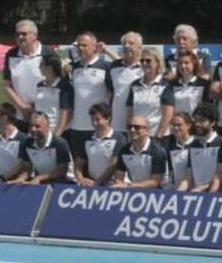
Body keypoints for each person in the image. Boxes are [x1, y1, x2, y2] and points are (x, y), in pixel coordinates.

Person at [68, 31, 113, 165]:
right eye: (78, 46)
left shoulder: (105, 67)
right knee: (79, 167)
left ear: (95, 47)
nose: (80, 48)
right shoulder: (74, 68)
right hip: (76, 127)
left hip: (97, 127)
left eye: (84, 45)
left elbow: (115, 95)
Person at [2, 19, 44, 129]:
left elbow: (54, 85)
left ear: (35, 35)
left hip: (43, 116)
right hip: (19, 115)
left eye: (24, 34)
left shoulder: (47, 53)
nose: (20, 37)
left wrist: (35, 109)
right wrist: (23, 107)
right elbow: (7, 85)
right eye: (17, 34)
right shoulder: (11, 54)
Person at [158, 49, 210, 136]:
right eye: (180, 63)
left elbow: (207, 110)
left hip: (197, 129)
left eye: (186, 63)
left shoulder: (204, 84)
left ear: (194, 64)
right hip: (177, 129)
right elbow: (168, 110)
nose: (183, 66)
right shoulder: (171, 85)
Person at [13, 111, 73, 185]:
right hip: (42, 181)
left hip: (64, 181)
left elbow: (62, 171)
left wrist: (39, 178)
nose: (33, 129)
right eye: (31, 126)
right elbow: (26, 169)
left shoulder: (59, 143)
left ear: (47, 126)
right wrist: (20, 179)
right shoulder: (27, 143)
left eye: (37, 126)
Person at [75, 102, 125, 187]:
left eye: (97, 120)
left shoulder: (119, 138)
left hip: (112, 185)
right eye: (92, 120)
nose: (94, 123)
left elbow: (114, 164)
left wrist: (98, 182)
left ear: (107, 119)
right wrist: (81, 179)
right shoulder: (87, 139)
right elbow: (78, 163)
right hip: (92, 184)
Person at [111, 116, 167, 189]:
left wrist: (129, 185)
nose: (132, 130)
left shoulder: (157, 151)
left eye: (137, 127)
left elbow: (154, 182)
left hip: (157, 193)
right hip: (133, 191)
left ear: (147, 130)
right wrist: (119, 183)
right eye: (129, 127)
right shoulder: (124, 150)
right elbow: (119, 176)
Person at [181, 103, 222, 192]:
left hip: (215, 195)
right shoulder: (193, 145)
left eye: (202, 121)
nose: (197, 124)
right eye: (196, 120)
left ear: (213, 122)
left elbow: (221, 175)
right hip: (196, 194)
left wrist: (204, 189)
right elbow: (188, 176)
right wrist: (178, 193)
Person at [106, 32, 144, 133]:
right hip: (117, 124)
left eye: (131, 43)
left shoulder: (146, 66)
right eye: (124, 43)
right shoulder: (114, 66)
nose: (127, 46)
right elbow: (109, 91)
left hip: (140, 125)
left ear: (140, 47)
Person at [126, 47, 167, 137]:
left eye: (148, 60)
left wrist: (159, 135)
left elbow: (167, 115)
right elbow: (130, 112)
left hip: (158, 135)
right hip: (138, 135)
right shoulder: (134, 84)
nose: (144, 63)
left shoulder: (166, 84)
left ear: (157, 63)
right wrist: (131, 132)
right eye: (142, 61)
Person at [33, 53, 74, 137]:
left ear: (49, 68)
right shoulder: (39, 85)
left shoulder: (64, 86)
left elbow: (66, 113)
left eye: (41, 65)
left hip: (58, 133)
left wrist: (57, 135)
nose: (39, 67)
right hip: (41, 130)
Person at [163, 111, 194, 190]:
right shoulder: (169, 147)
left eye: (179, 125)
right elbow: (169, 173)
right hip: (177, 191)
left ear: (188, 125)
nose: (176, 128)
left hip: (196, 191)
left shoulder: (197, 145)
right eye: (173, 125)